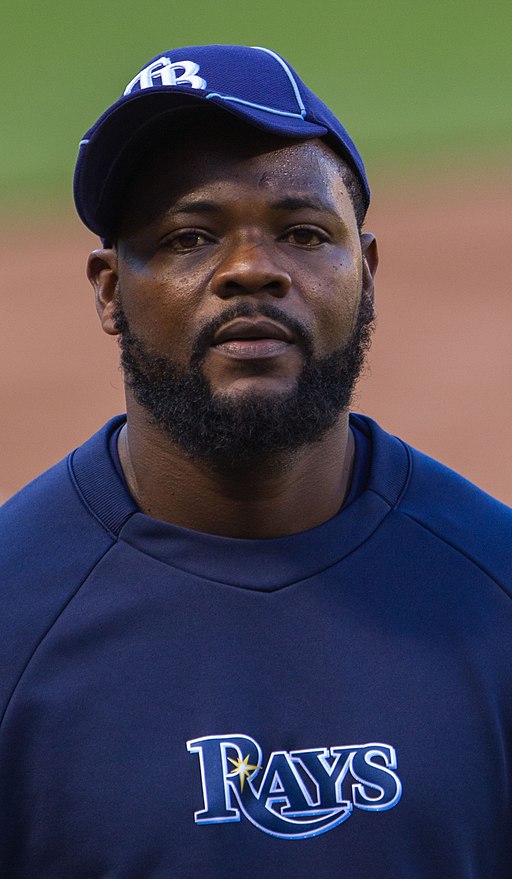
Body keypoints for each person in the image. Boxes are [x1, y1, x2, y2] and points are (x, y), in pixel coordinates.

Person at [0, 43, 511, 879]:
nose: (250, 270)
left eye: (304, 233)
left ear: (368, 274)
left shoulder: (496, 592)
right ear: (106, 288)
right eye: (190, 236)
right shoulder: (14, 618)